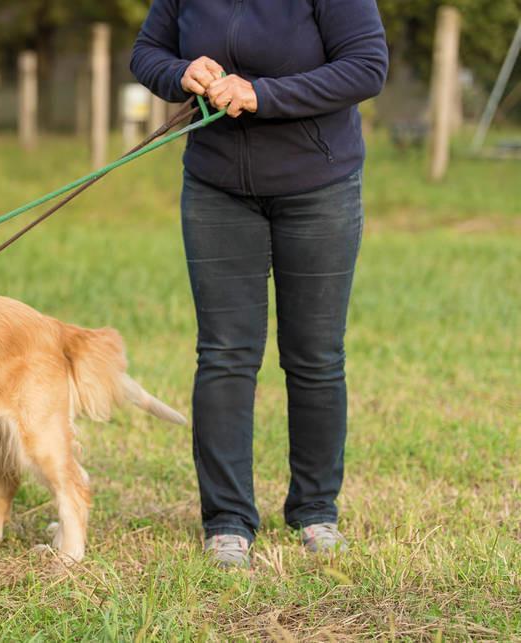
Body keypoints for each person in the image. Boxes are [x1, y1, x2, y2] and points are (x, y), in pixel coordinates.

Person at [130, 1, 389, 568]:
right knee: (224, 353)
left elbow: (367, 65)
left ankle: (316, 511)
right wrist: (181, 73)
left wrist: (261, 95)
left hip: (319, 185)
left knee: (315, 355)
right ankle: (227, 520)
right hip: (216, 187)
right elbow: (145, 53)